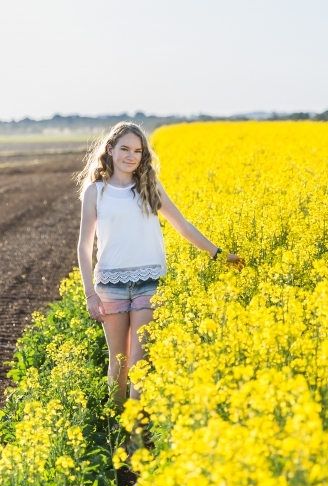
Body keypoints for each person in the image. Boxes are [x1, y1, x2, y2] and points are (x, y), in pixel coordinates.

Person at [76, 122, 243, 409]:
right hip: (109, 286)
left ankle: (136, 434)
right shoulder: (96, 192)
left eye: (138, 151)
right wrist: (89, 292)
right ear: (111, 150)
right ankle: (116, 425)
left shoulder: (148, 187)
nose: (131, 156)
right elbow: (83, 245)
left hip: (148, 283)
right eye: (125, 149)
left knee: (140, 362)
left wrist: (219, 254)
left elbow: (182, 225)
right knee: (119, 361)